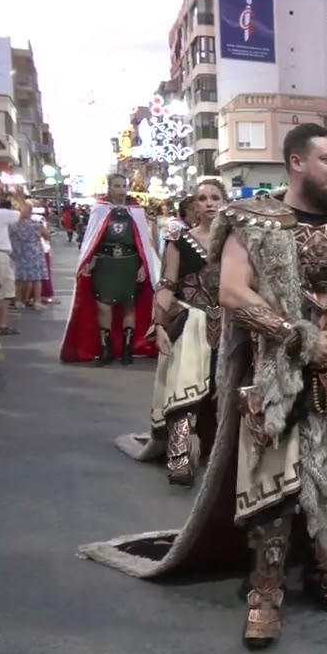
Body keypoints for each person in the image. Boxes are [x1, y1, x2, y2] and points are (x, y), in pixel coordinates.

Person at [78, 123, 327, 650]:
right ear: (296, 163)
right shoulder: (251, 221)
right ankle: (266, 590)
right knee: (272, 484)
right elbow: (233, 292)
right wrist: (297, 338)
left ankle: (321, 571)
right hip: (273, 373)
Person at [114, 181, 227, 485]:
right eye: (202, 198)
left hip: (230, 325)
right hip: (191, 322)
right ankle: (179, 457)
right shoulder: (179, 239)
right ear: (194, 205)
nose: (209, 203)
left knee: (225, 391)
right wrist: (160, 324)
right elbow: (167, 285)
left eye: (215, 197)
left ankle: (219, 454)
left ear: (225, 202)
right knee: (184, 386)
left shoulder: (238, 242)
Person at [60, 174, 161, 365]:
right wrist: (89, 261)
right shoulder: (99, 209)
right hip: (105, 264)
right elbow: (92, 239)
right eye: (117, 186)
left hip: (129, 263)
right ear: (110, 187)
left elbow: (143, 243)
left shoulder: (136, 211)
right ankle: (106, 350)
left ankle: (127, 350)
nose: (121, 190)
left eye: (124, 186)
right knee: (103, 306)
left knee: (129, 306)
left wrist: (143, 265)